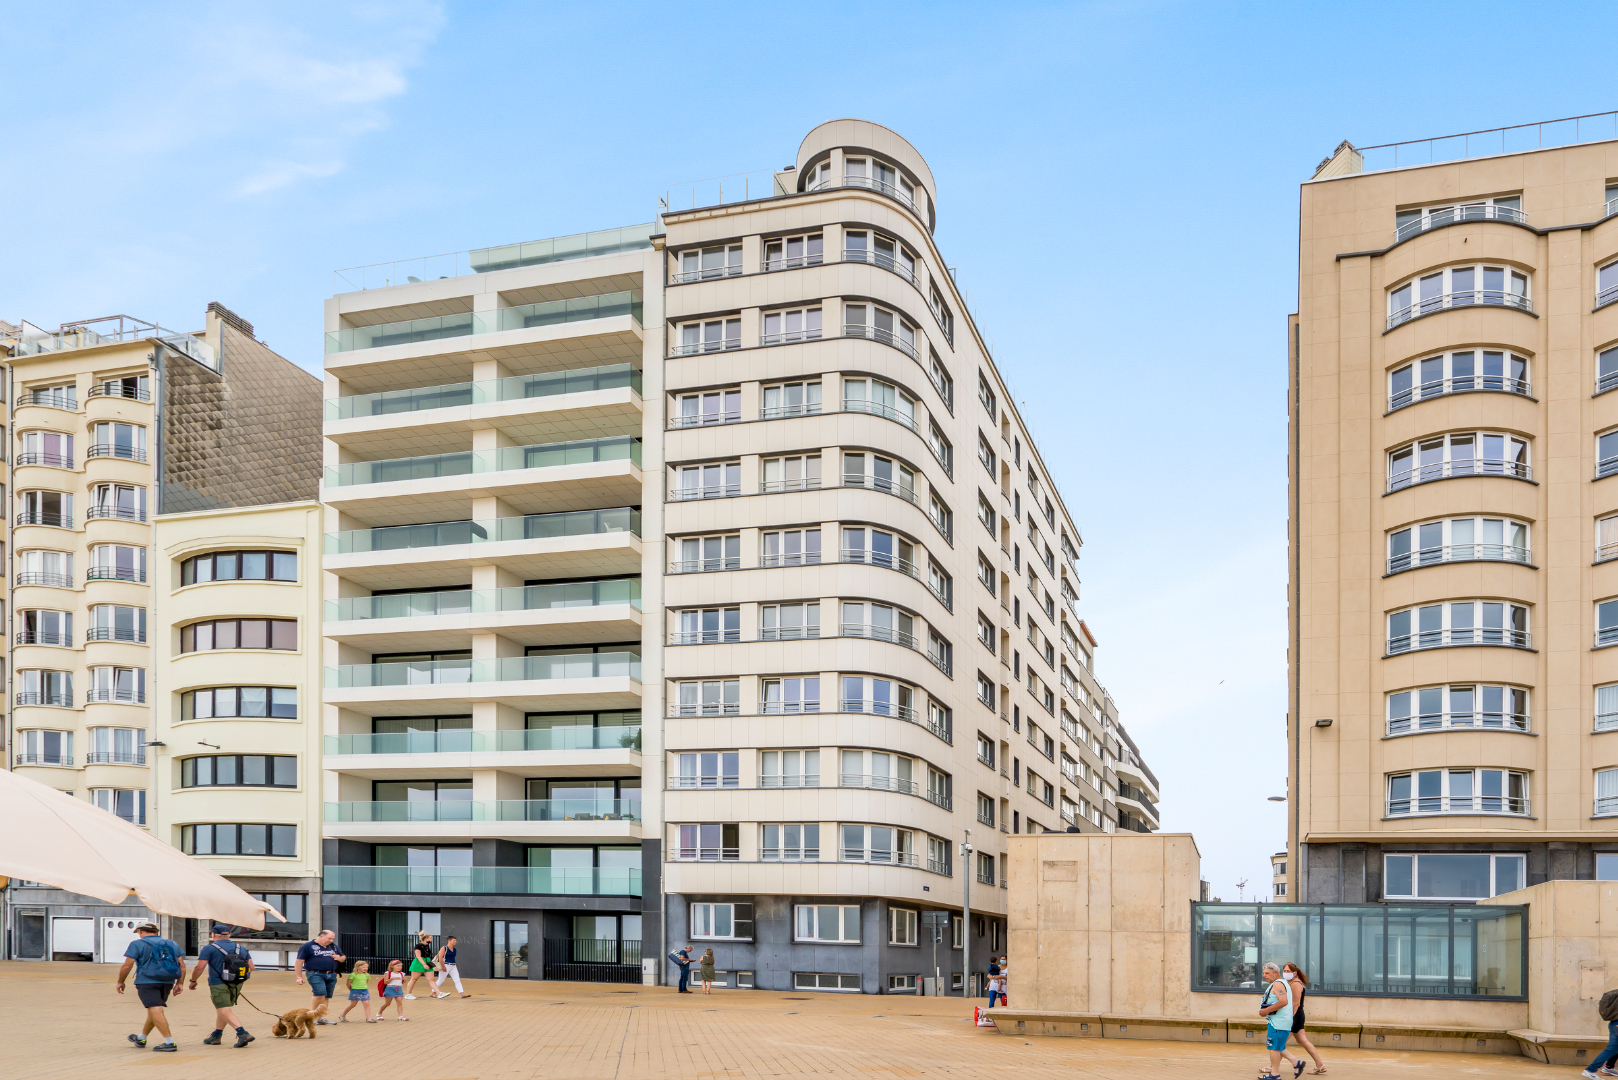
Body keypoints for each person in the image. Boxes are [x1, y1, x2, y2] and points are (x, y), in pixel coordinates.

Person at [116, 921, 185, 1052]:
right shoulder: (172, 943)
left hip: (146, 981)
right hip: (167, 981)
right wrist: (180, 983)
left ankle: (169, 1042)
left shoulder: (137, 944)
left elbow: (127, 965)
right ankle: (141, 1038)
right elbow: (182, 966)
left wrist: (121, 981)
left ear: (140, 931)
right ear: (157, 932)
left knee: (155, 1009)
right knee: (153, 1010)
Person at [188, 924, 255, 1048]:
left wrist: (193, 981)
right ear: (229, 935)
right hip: (237, 983)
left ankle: (242, 1033)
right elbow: (251, 967)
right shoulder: (240, 948)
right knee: (222, 1009)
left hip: (218, 983)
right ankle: (216, 1035)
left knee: (224, 1010)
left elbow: (199, 967)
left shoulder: (209, 948)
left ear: (213, 935)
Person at [1257, 961, 1305, 1080]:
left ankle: (1275, 1075)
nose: (1264, 975)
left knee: (1274, 1048)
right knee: (1279, 1047)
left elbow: (1283, 1001)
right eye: (1263, 973)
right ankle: (1296, 1063)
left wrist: (1266, 1010)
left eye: (1267, 973)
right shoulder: (1283, 983)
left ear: (1276, 973)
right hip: (1279, 1022)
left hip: (1278, 1023)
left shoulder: (1278, 984)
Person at [1282, 962, 1325, 1074]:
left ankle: (1273, 1067)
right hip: (1297, 1016)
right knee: (1303, 1041)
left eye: (1288, 971)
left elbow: (1295, 1004)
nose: (1285, 973)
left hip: (1294, 1016)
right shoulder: (1291, 983)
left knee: (1280, 1043)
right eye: (1284, 971)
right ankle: (1320, 1065)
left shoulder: (1295, 984)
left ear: (1295, 973)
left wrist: (1289, 1018)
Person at [294, 929, 345, 1023]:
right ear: (321, 936)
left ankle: (322, 1017)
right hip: (315, 973)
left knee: (326, 996)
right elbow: (299, 962)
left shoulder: (333, 946)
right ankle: (312, 1016)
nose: (331, 941)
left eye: (333, 939)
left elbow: (343, 957)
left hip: (331, 974)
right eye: (329, 938)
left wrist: (340, 958)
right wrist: (299, 977)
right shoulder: (307, 946)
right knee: (319, 994)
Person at [1585, 984, 1618, 1078]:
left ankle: (1592, 1070)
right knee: (1611, 1050)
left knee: (1611, 1050)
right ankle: (1593, 1070)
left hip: (1613, 1024)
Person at [406, 931, 448, 999]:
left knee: (431, 979)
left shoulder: (427, 946)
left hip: (427, 961)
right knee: (414, 979)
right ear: (426, 938)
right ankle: (408, 994)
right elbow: (418, 956)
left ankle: (439, 993)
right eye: (430, 938)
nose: (431, 940)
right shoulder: (418, 946)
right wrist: (424, 964)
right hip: (419, 963)